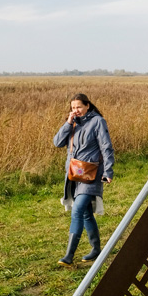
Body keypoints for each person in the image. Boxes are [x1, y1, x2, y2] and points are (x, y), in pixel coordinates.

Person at [53, 92, 114, 267]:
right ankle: (96, 249)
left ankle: (69, 256)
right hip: (74, 175)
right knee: (86, 213)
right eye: (73, 108)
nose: (76, 110)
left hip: (91, 174)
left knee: (77, 210)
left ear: (88, 105)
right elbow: (57, 143)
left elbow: (106, 147)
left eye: (79, 107)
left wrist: (108, 171)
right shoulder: (72, 124)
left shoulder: (98, 122)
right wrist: (68, 123)